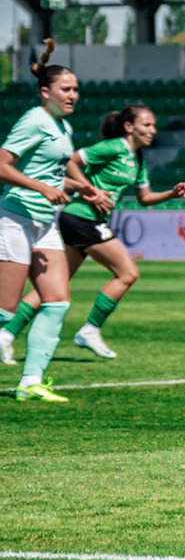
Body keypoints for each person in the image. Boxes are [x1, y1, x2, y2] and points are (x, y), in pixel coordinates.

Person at [0, 102, 185, 365]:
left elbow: (144, 198)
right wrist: (90, 191)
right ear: (129, 127)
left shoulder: (138, 158)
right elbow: (72, 160)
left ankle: (6, 335)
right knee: (128, 273)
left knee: (55, 287)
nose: (153, 131)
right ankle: (90, 330)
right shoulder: (112, 147)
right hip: (82, 217)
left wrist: (172, 193)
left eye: (154, 126)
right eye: (147, 125)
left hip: (83, 220)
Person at [0, 41, 101, 401]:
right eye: (65, 89)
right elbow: (2, 165)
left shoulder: (61, 126)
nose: (73, 95)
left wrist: (82, 188)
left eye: (75, 89)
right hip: (15, 219)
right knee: (4, 311)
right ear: (46, 92)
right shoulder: (34, 120)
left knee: (56, 302)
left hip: (44, 224)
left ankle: (30, 383)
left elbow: (52, 173)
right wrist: (42, 187)